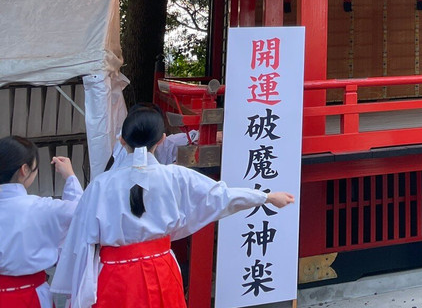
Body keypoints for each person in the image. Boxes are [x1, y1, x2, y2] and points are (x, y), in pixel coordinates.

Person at [52, 107, 294, 308]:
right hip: (161, 270)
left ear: (122, 140)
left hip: (114, 276)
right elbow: (221, 196)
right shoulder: (175, 176)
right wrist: (266, 197)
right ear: (162, 140)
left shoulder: (100, 185)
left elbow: (81, 235)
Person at [0, 137, 82, 308]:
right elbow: (82, 212)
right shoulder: (43, 208)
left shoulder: (43, 207)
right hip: (29, 295)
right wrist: (70, 177)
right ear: (24, 170)